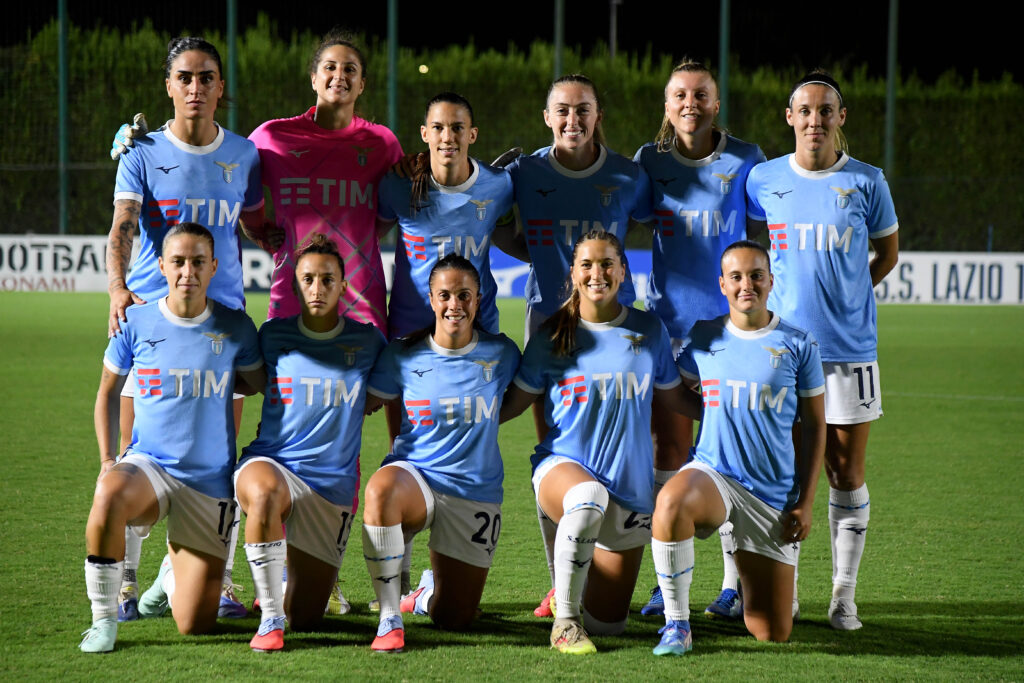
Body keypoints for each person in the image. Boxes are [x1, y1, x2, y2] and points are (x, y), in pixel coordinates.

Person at [105, 36, 265, 622]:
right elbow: (123, 223)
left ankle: (211, 580)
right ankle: (125, 585)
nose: (196, 87)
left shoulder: (244, 154)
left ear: (221, 87)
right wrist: (118, 287)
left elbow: (258, 224)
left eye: (206, 77)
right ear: (169, 85)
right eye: (185, 77)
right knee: (136, 454)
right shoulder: (141, 151)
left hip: (222, 328)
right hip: (153, 321)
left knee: (218, 461)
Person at [745, 70, 899, 630]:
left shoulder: (867, 181)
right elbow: (755, 247)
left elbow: (887, 254)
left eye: (825, 110)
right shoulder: (763, 179)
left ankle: (843, 595)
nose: (815, 120)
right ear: (790, 117)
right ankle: (784, 590)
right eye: (805, 110)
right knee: (786, 471)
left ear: (840, 118)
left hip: (850, 351)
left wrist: (852, 296)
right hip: (786, 352)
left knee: (845, 471)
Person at [504, 74, 653, 617]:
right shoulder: (524, 172)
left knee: (630, 441)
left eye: (583, 109)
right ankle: (558, 583)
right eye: (562, 110)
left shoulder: (628, 175)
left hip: (618, 326)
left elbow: (665, 222)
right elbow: (490, 216)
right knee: (556, 447)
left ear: (598, 116)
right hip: (550, 324)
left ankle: (650, 572)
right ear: (547, 117)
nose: (572, 119)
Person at [79, 223, 265, 653]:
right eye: (178, 262)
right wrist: (108, 460)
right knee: (108, 494)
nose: (188, 272)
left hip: (209, 481)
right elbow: (108, 393)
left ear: (214, 266)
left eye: (198, 262)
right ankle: (103, 621)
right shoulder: (135, 320)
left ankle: (169, 577)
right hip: (150, 466)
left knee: (194, 625)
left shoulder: (236, 327)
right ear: (162, 266)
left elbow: (260, 385)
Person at [500, 231, 681, 655]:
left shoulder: (648, 329)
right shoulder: (551, 335)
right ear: (573, 274)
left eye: (606, 264)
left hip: (631, 491)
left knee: (609, 625)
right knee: (587, 496)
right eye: (587, 265)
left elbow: (675, 399)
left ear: (623, 271)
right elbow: (511, 406)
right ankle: (564, 622)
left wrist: (728, 409)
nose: (597, 273)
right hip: (563, 471)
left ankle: (568, 588)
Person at [633, 59, 767, 620]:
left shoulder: (747, 159)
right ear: (667, 106)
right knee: (668, 452)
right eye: (680, 95)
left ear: (716, 103)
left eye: (701, 94)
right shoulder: (650, 161)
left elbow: (763, 238)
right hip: (668, 333)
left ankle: (734, 587)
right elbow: (612, 212)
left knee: (732, 457)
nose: (690, 103)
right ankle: (667, 583)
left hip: (730, 337)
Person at [649, 240, 825, 655]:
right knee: (671, 502)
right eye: (737, 277)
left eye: (756, 276)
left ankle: (750, 582)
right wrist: (711, 409)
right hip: (715, 474)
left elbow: (815, 426)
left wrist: (805, 502)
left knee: (772, 631)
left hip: (770, 493)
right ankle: (677, 624)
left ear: (771, 281)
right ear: (723, 285)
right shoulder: (705, 335)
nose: (747, 285)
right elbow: (677, 391)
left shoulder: (799, 344)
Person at [361, 254, 520, 653]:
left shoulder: (502, 354)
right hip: (417, 477)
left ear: (478, 300)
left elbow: (524, 398)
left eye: (464, 295)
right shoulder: (402, 354)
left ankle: (424, 594)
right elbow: (361, 405)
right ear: (431, 299)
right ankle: (389, 616)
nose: (455, 304)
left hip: (474, 490)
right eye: (445, 295)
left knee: (455, 618)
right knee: (381, 491)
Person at [234, 234, 386, 651]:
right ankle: (269, 617)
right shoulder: (272, 336)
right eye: (308, 279)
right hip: (273, 464)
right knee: (264, 493)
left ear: (343, 285)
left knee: (306, 617)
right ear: (294, 284)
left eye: (327, 279)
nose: (317, 288)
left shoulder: (369, 342)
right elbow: (247, 383)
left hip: (330, 488)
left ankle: (283, 585)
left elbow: (384, 393)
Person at [377, 91, 517, 339]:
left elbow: (509, 239)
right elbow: (367, 239)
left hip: (478, 329)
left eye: (457, 128)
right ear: (425, 133)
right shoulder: (397, 185)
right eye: (438, 127)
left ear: (472, 134)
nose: (447, 137)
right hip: (410, 333)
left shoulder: (499, 185)